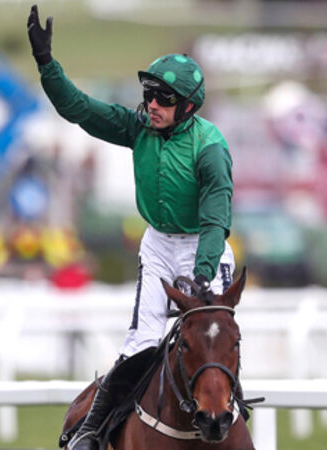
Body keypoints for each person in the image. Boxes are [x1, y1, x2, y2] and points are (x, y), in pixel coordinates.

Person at [27, 5, 235, 449]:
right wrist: (47, 65)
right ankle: (92, 430)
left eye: (164, 99)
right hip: (159, 244)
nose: (152, 105)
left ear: (189, 106)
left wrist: (203, 271)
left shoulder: (210, 148)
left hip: (205, 244)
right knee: (141, 343)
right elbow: (79, 109)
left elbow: (216, 219)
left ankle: (224, 425)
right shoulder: (138, 127)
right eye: (149, 95)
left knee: (209, 338)